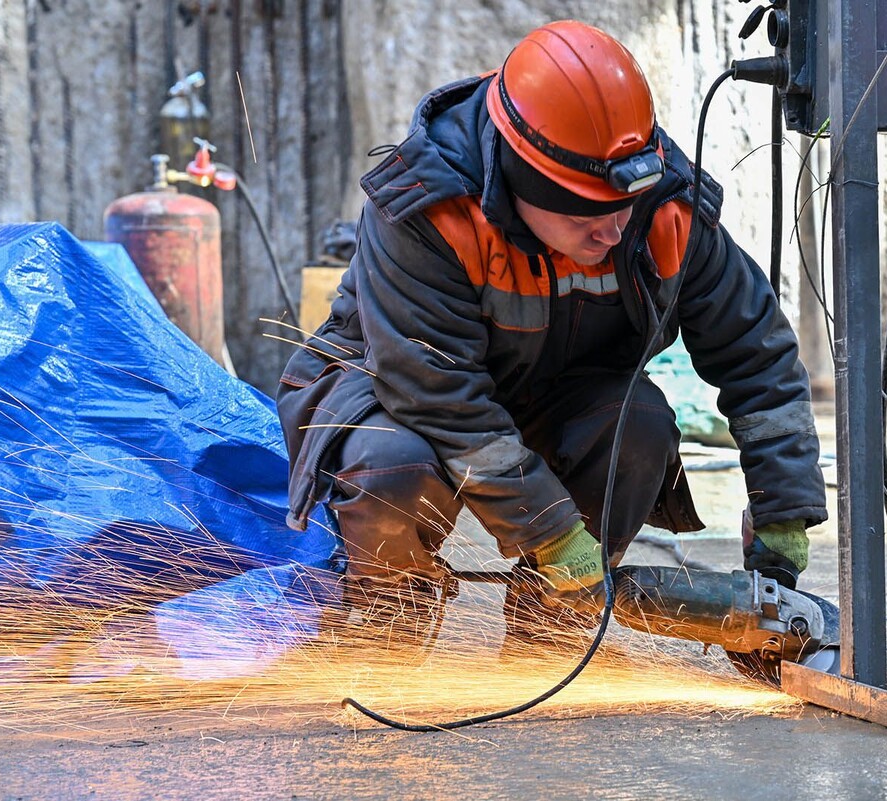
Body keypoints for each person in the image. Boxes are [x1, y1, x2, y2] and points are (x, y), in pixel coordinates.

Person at [278, 20, 827, 640]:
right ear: (522, 179)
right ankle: (390, 620)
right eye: (588, 213)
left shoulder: (660, 202)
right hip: (398, 400)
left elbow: (757, 356)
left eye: (622, 206)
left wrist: (785, 512)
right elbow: (440, 397)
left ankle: (552, 625)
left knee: (637, 427)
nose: (614, 231)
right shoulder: (426, 210)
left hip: (554, 390)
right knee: (390, 470)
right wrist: (552, 530)